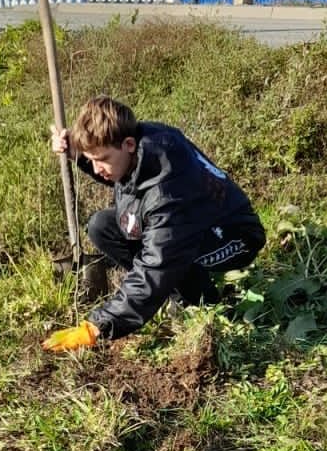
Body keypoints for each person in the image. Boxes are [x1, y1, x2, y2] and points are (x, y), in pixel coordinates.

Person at [42, 96, 266, 352]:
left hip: (233, 236)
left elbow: (155, 266)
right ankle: (173, 290)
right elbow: (126, 179)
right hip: (194, 223)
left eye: (101, 159)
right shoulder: (141, 142)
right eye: (92, 160)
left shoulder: (167, 193)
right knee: (102, 226)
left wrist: (95, 328)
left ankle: (202, 301)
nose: (97, 168)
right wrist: (78, 154)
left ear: (127, 144)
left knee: (168, 259)